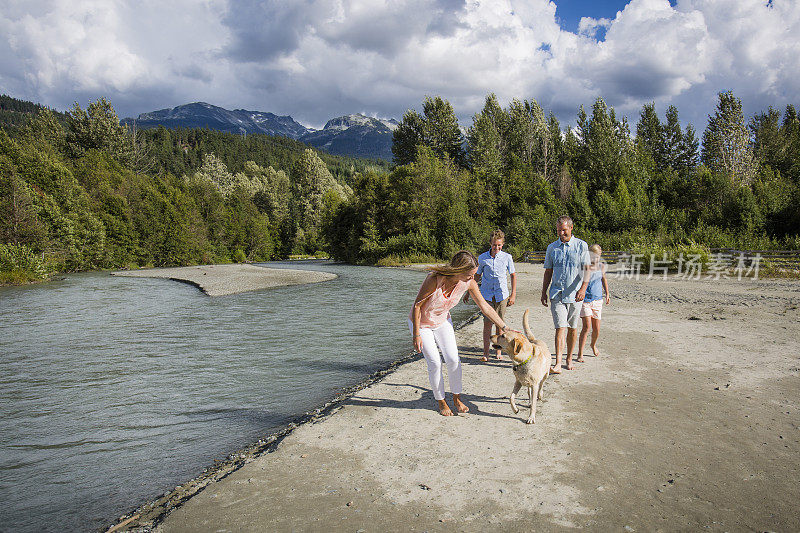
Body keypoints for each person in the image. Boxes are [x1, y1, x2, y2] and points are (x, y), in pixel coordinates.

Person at [410, 250, 509, 416]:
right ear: (458, 271)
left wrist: (505, 327)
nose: (472, 279)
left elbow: (485, 307)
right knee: (434, 362)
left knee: (453, 359)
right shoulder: (434, 279)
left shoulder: (469, 283)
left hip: (442, 321)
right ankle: (441, 401)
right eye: (469, 275)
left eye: (474, 275)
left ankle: (456, 398)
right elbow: (417, 306)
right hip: (422, 324)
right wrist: (416, 334)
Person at [540, 216, 591, 372]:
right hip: (557, 293)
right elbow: (548, 271)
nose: (561, 233)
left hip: (575, 294)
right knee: (560, 327)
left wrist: (583, 289)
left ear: (571, 228)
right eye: (558, 230)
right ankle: (558, 363)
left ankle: (569, 359)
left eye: (564, 230)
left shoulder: (581, 246)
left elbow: (587, 270)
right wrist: (544, 292)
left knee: (572, 328)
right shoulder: (552, 248)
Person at [475, 230, 517, 361]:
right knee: (487, 324)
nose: (496, 247)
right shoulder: (482, 258)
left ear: (502, 244)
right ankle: (486, 353)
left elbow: (513, 275)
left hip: (501, 294)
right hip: (486, 295)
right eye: (494, 245)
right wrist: (468, 292)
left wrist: (513, 294)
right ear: (490, 243)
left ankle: (498, 352)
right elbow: (477, 275)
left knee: (500, 324)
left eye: (499, 245)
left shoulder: (507, 257)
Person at [577, 244, 611, 361]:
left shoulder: (601, 266)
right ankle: (580, 354)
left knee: (596, 329)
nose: (595, 259)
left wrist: (607, 294)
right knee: (586, 327)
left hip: (597, 299)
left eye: (598, 257)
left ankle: (593, 345)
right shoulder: (584, 267)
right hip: (585, 300)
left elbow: (604, 279)